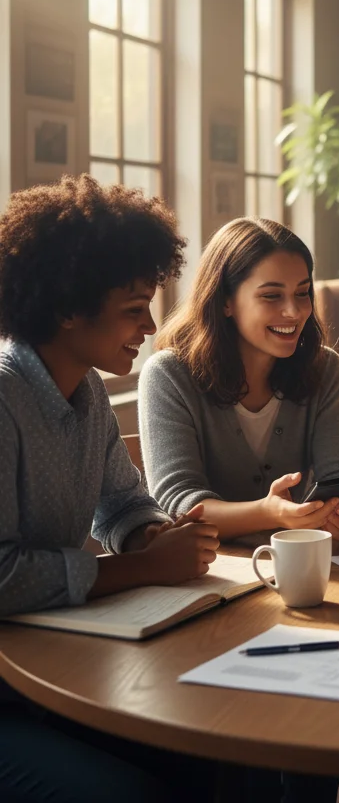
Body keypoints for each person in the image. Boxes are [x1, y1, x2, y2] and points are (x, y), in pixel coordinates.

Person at [0, 175, 218, 802]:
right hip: (7, 693)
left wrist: (154, 533)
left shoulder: (88, 389)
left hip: (49, 664)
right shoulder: (5, 398)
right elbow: (2, 574)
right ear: (68, 307)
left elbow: (120, 502)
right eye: (132, 309)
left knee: (205, 750)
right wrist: (144, 569)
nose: (150, 326)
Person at [140, 217, 339, 544]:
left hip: (300, 560)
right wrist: (269, 513)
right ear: (225, 301)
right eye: (272, 296)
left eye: (303, 293)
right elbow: (178, 505)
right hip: (209, 570)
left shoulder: (325, 368)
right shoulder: (167, 375)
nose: (294, 312)